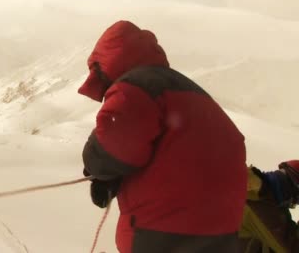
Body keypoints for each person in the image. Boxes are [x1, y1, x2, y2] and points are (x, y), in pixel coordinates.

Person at [79, 20, 247, 252]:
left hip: (163, 233)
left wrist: (98, 169)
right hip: (222, 234)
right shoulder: (192, 92)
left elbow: (112, 145)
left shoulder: (135, 86)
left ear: (107, 64)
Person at [239, 160, 299, 252]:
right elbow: (293, 248)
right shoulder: (260, 204)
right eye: (296, 200)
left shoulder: (267, 196)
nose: (292, 204)